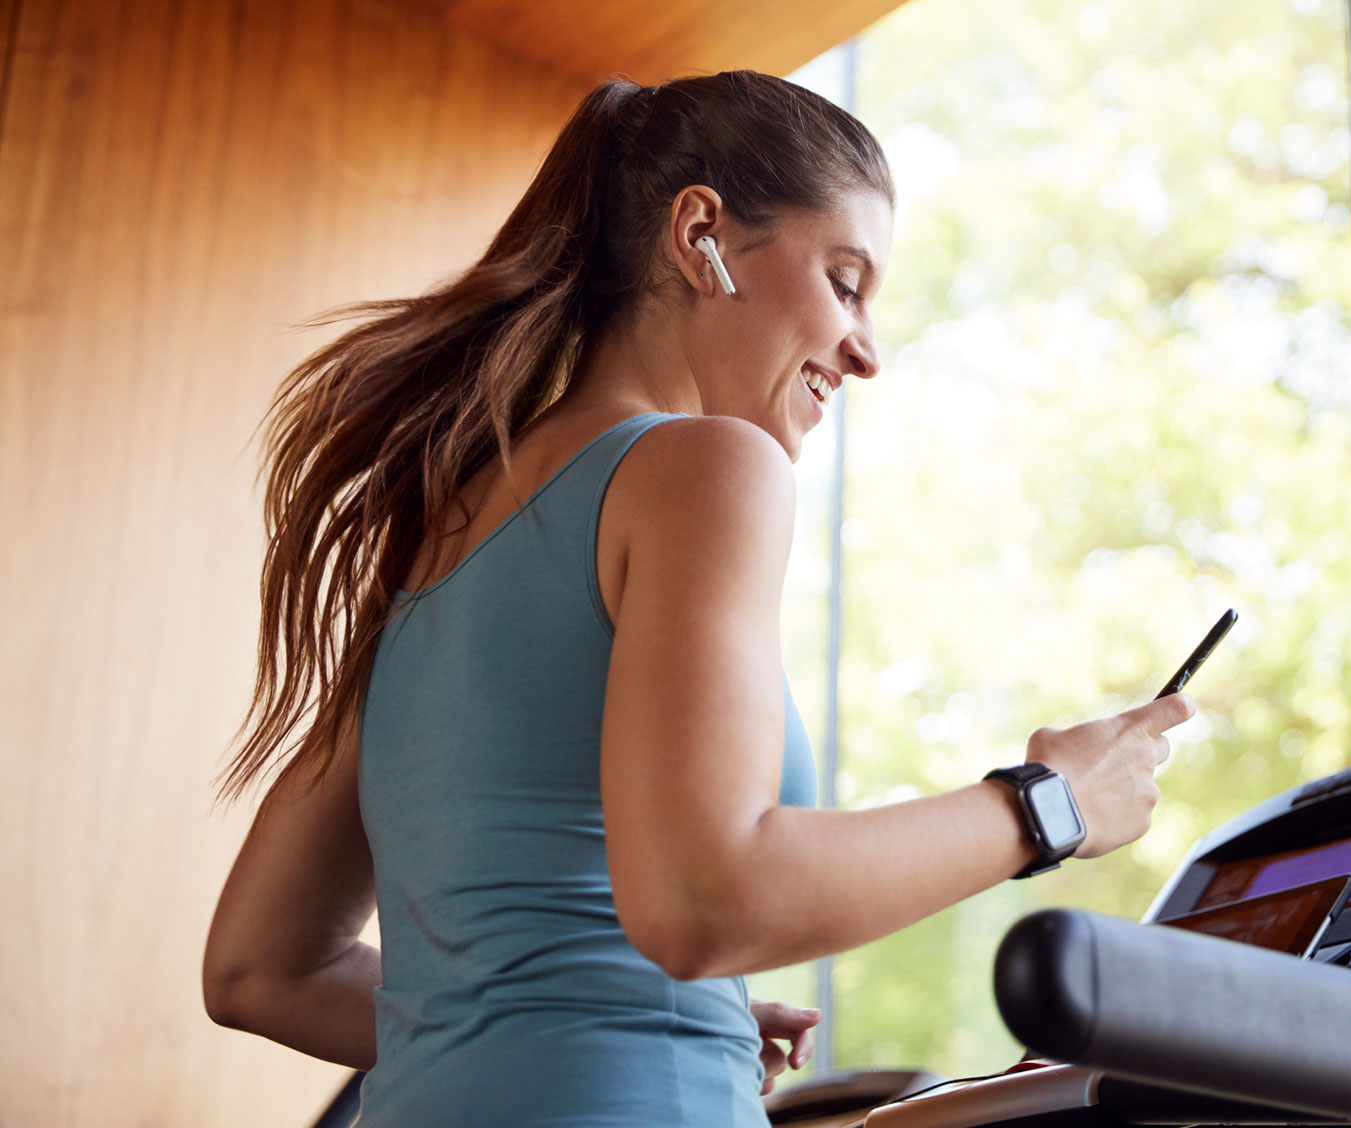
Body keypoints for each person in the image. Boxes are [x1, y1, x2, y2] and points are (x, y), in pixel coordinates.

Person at [202, 70, 1194, 1126]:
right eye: (845, 280)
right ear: (700, 233)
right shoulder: (707, 467)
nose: (866, 348)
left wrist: (642, 1014)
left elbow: (260, 968)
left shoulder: (443, 525)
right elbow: (702, 901)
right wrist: (1050, 804)